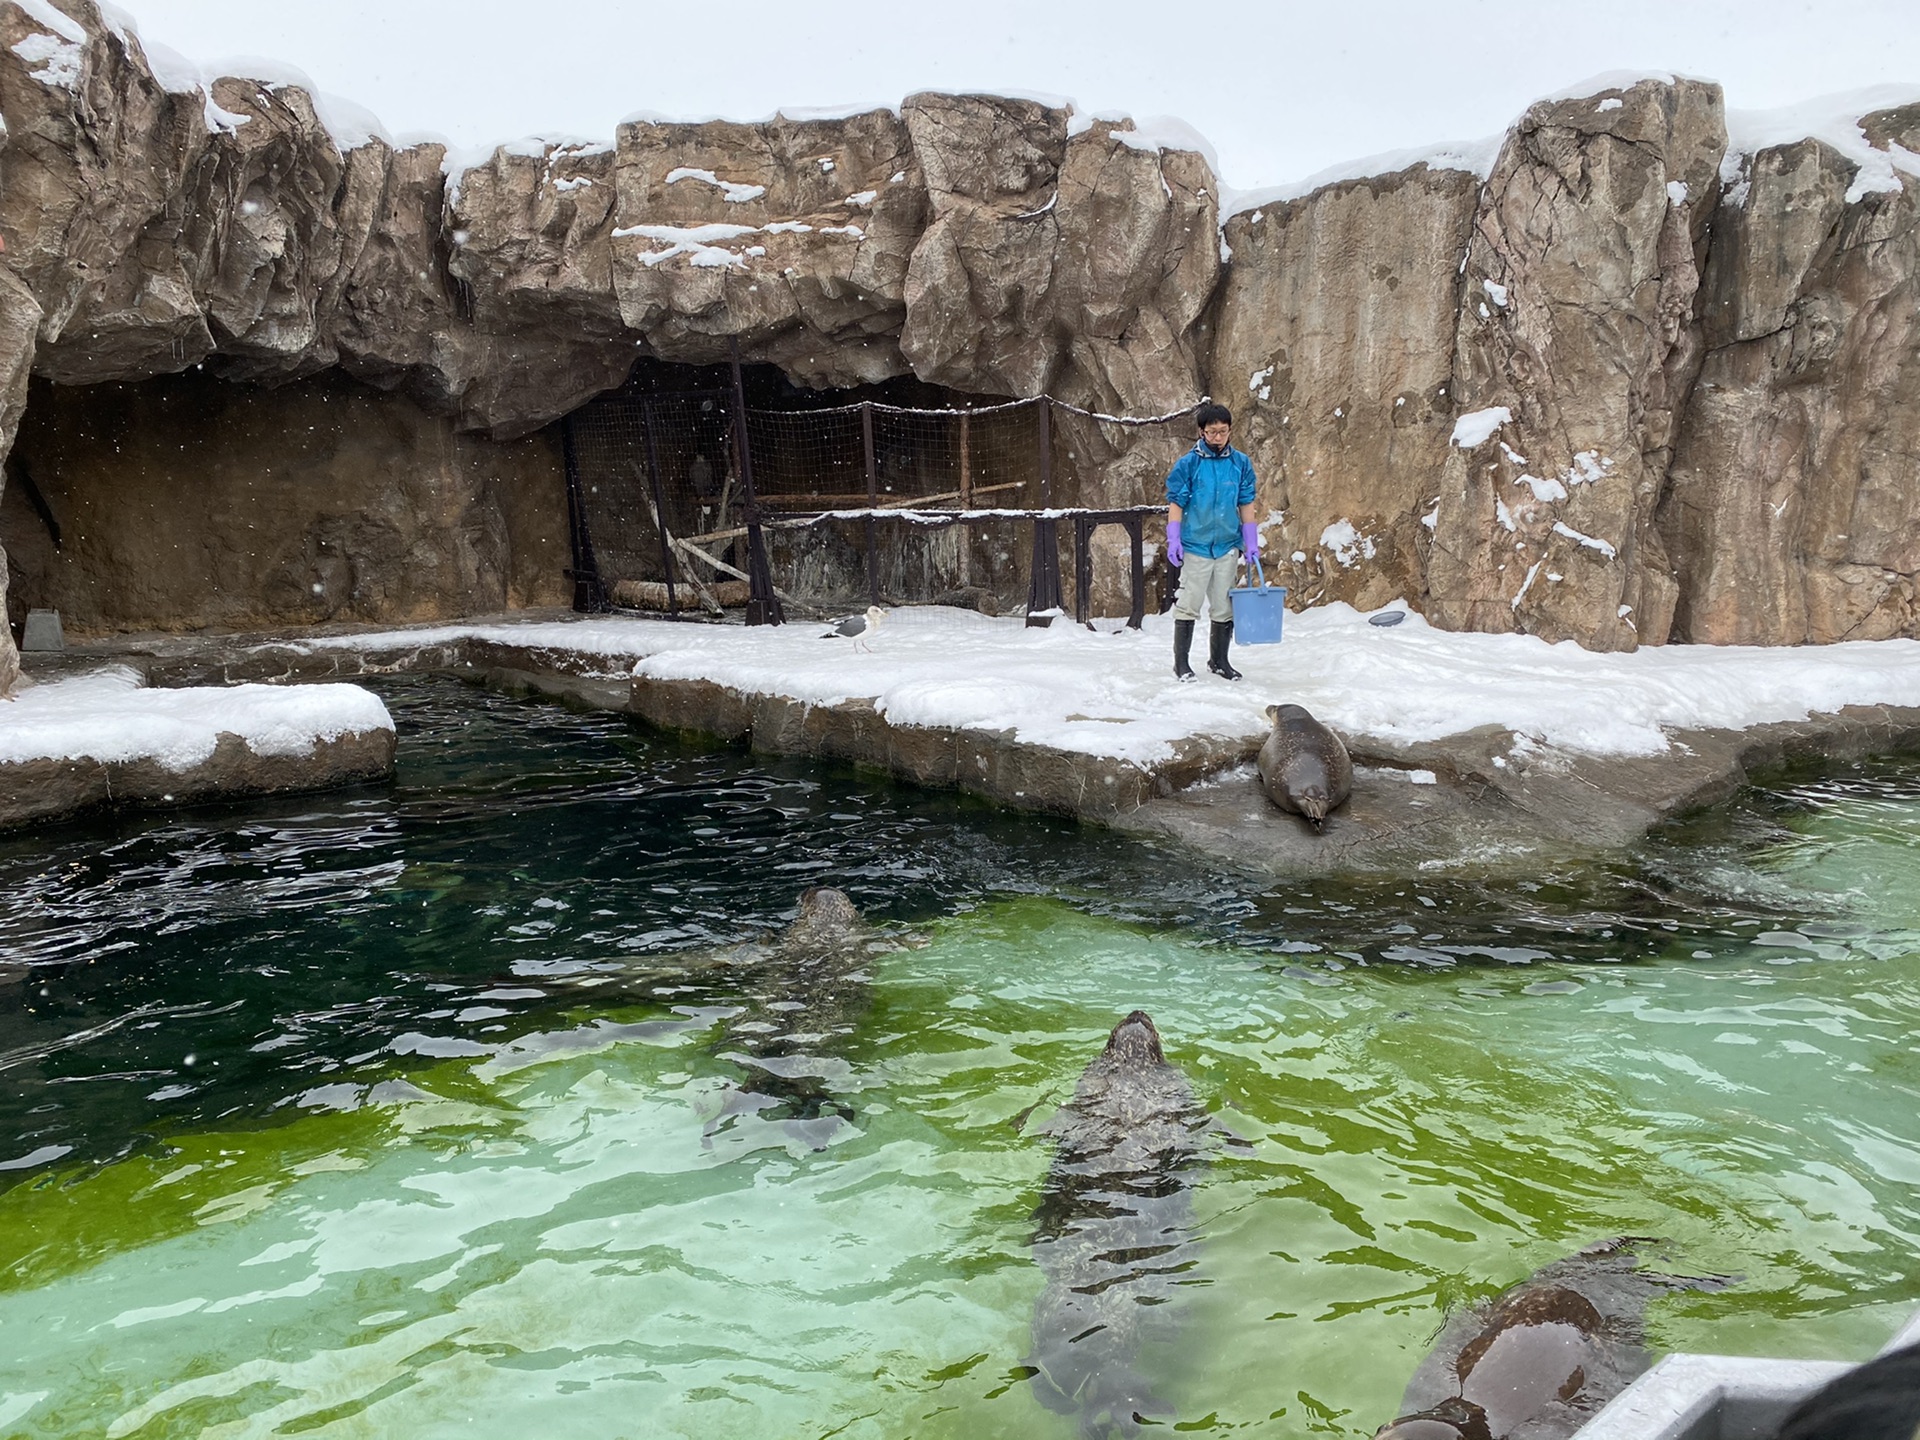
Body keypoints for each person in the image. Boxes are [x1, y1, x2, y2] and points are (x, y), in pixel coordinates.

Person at [1163, 402, 1259, 682]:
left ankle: (1219, 661)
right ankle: (1181, 663)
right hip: (1196, 545)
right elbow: (1176, 502)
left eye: (1223, 431)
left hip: (1227, 544)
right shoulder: (1188, 464)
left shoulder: (1240, 463)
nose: (1218, 437)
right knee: (1189, 603)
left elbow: (1246, 501)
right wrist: (1174, 538)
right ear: (1201, 432)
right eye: (1212, 432)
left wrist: (1250, 540)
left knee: (1223, 605)